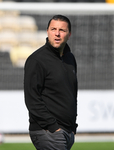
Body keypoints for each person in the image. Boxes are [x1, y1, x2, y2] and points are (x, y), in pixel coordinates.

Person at [24, 14, 78, 150]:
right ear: (47, 31)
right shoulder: (37, 60)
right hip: (47, 132)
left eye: (62, 30)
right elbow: (32, 99)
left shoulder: (70, 59)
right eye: (53, 29)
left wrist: (72, 127)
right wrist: (53, 127)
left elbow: (72, 94)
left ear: (69, 34)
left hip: (67, 132)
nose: (57, 34)